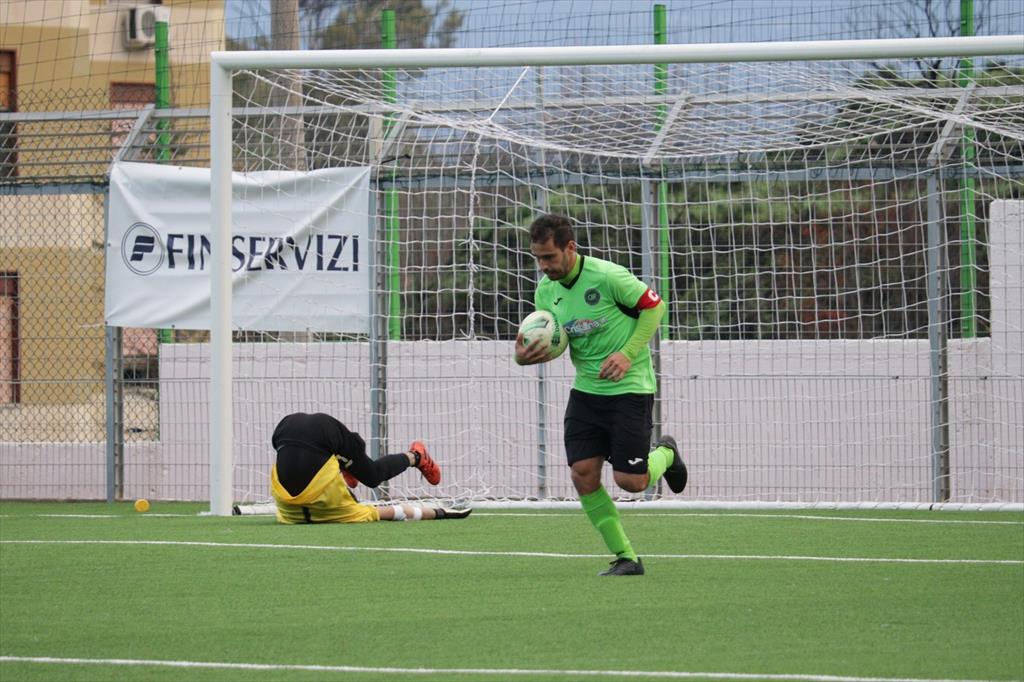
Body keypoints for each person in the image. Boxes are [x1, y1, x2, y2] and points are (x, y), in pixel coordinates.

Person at [515, 214, 687, 576]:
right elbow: (554, 340)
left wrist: (627, 354)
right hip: (586, 394)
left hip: (629, 389)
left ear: (570, 248)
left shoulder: (608, 277)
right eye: (538, 259)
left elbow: (655, 307)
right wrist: (524, 354)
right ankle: (626, 557)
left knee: (632, 482)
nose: (544, 267)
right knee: (583, 474)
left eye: (549, 257)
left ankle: (667, 454)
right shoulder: (546, 292)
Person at [270, 411, 471, 523]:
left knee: (371, 474)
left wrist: (439, 513)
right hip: (287, 429)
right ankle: (415, 457)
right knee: (372, 476)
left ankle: (414, 457)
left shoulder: (348, 512)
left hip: (306, 433)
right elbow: (397, 511)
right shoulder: (290, 514)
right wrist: (442, 513)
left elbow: (398, 512)